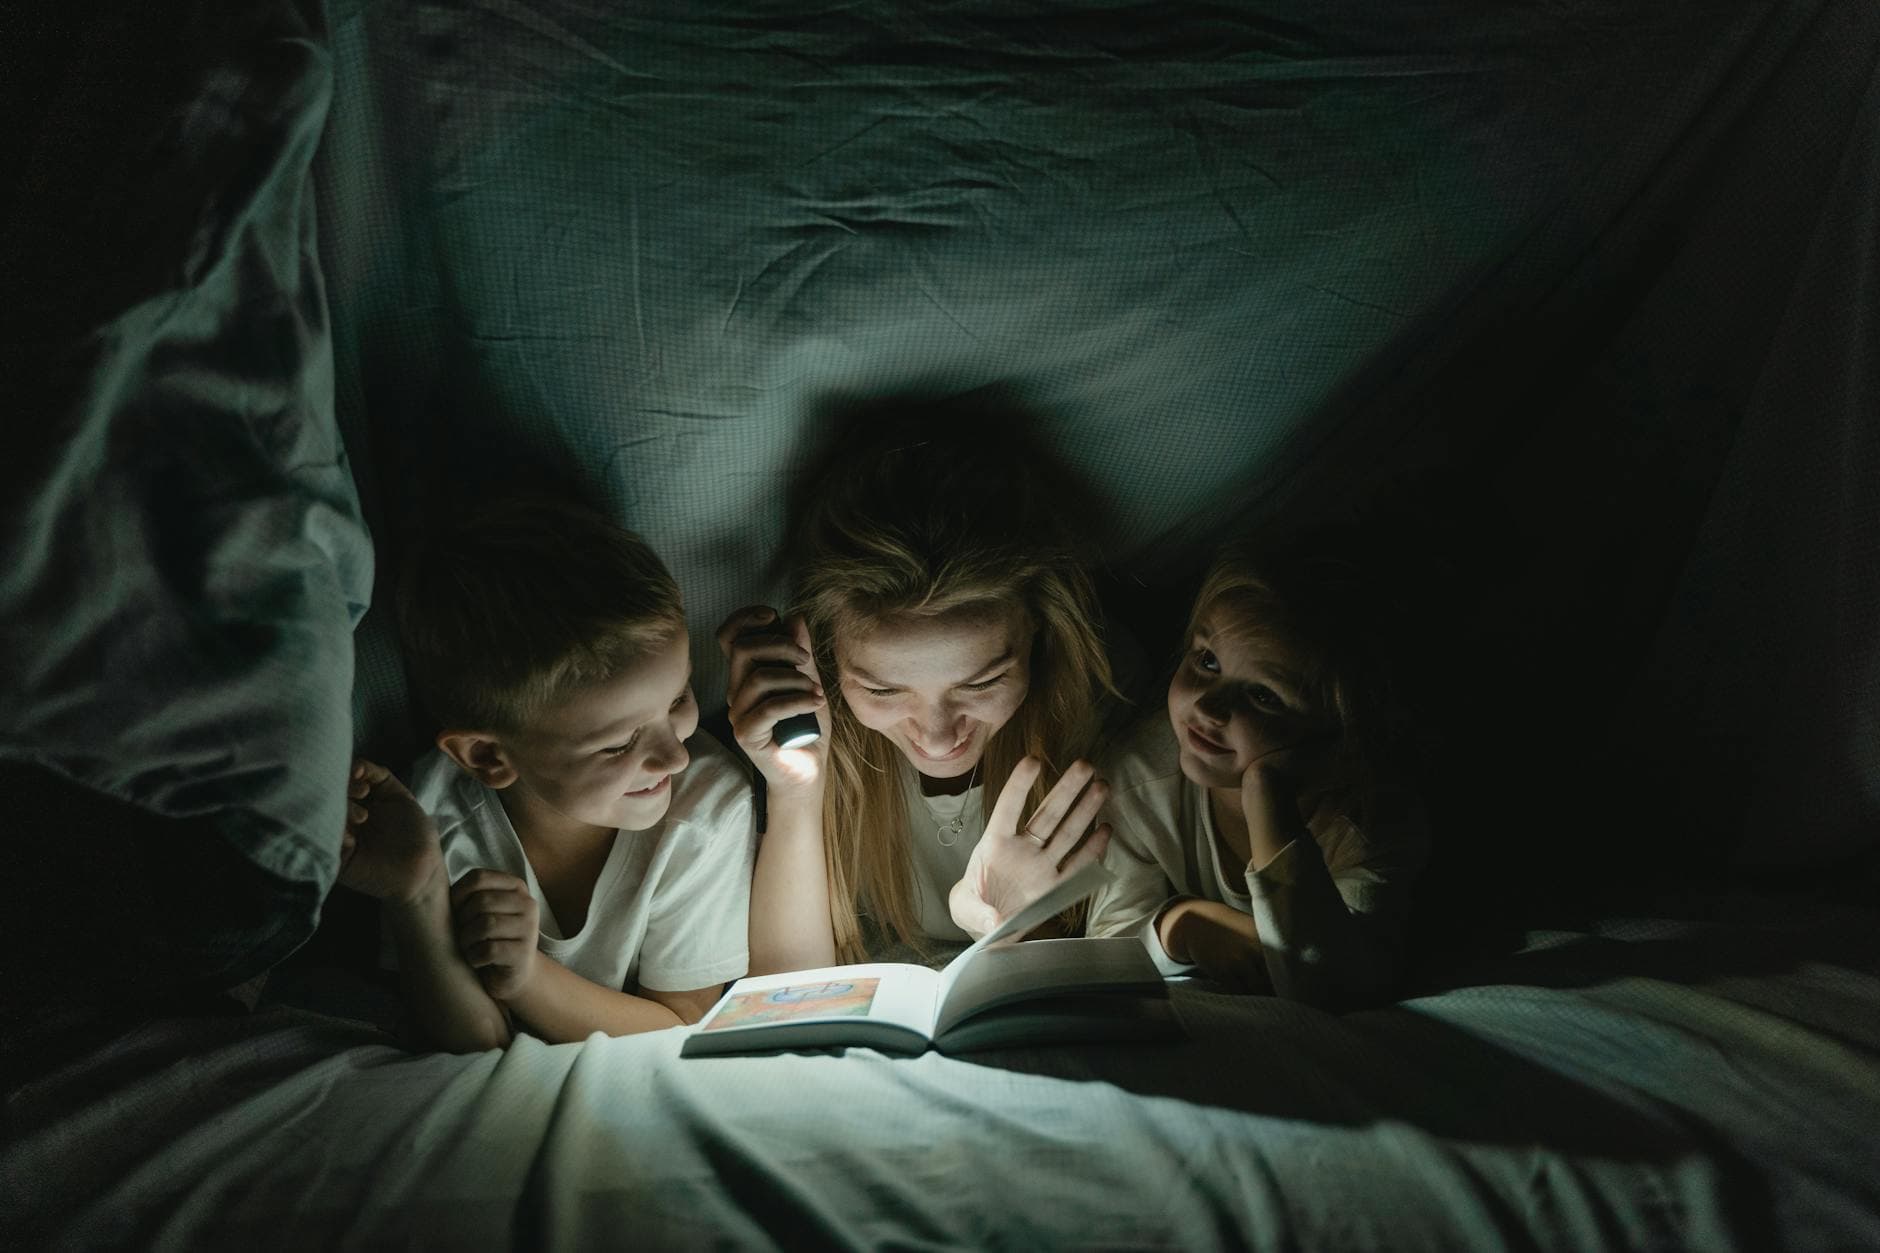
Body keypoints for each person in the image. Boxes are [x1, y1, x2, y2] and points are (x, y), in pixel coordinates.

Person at [339, 494, 755, 1051]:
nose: (675, 756)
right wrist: (416, 896)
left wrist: (530, 979)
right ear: (489, 757)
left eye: (678, 697)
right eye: (618, 744)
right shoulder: (428, 817)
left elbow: (681, 1026)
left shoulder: (705, 808)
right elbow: (475, 1045)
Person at [721, 434, 1118, 973]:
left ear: (1041, 639)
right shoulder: (817, 740)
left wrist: (1025, 926)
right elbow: (787, 986)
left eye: (980, 684)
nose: (937, 737)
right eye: (882, 690)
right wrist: (794, 794)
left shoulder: (1102, 725)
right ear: (828, 661)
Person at [1084, 531, 1427, 1009]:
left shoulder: (1367, 821)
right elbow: (1107, 941)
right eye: (1207, 661)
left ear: (1342, 741)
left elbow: (1331, 987)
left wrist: (1268, 799)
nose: (1207, 705)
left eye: (1263, 695)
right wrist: (1186, 923)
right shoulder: (1140, 776)